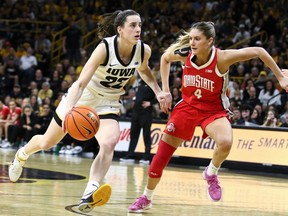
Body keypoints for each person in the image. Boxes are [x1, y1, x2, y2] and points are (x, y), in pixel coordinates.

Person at [8, 9, 171, 214]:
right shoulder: (104, 48)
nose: (138, 29)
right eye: (132, 25)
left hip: (109, 102)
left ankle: (89, 192)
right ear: (120, 29)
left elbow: (144, 70)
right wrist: (69, 110)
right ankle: (22, 155)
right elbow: (80, 82)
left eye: (139, 25)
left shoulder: (142, 50)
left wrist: (158, 91)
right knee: (47, 142)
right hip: (83, 98)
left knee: (109, 142)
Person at [128, 21, 288, 213]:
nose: (192, 43)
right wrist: (165, 91)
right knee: (161, 157)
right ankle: (146, 197)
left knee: (226, 142)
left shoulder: (222, 58)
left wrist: (279, 76)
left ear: (209, 41)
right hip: (187, 107)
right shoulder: (186, 53)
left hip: (213, 110)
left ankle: (211, 173)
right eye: (191, 38)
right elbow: (164, 58)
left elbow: (259, 51)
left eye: (197, 39)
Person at [120, 79, 156, 165]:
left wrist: (150, 103)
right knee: (133, 134)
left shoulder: (153, 83)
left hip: (146, 113)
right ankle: (130, 155)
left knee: (146, 135)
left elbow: (160, 96)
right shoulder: (139, 84)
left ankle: (146, 157)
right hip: (136, 113)